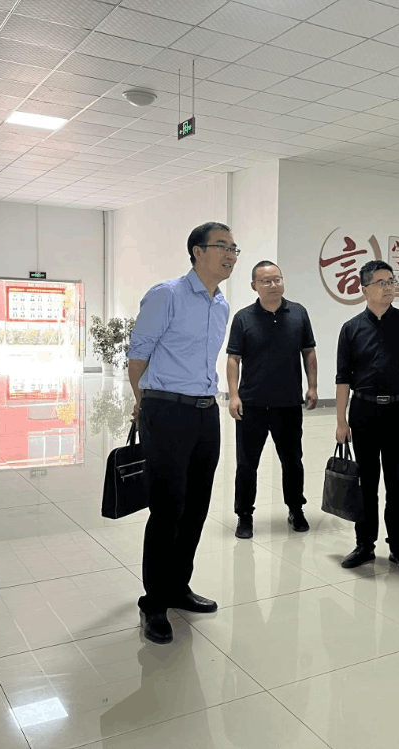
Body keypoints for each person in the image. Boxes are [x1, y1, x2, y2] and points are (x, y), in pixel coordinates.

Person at [126, 221, 238, 645]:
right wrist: (145, 402)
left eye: (234, 248)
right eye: (222, 246)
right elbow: (138, 356)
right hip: (167, 411)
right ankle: (154, 602)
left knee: (195, 507)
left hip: (206, 413)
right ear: (197, 251)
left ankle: (178, 586)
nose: (230, 254)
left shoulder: (221, 303)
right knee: (167, 508)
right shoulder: (166, 295)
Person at [335, 260, 399, 574]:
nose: (389, 287)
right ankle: (364, 545)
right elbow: (342, 378)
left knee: (396, 483)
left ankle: (398, 547)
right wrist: (341, 421)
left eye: (391, 281)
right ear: (364, 289)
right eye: (381, 282)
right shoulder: (351, 329)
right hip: (363, 411)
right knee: (366, 483)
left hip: (397, 411)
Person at [226, 260, 318, 540]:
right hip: (251, 404)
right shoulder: (243, 318)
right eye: (266, 281)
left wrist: (313, 387)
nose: (273, 285)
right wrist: (233, 395)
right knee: (246, 464)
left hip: (288, 404)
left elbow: (309, 351)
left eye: (277, 279)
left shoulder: (298, 313)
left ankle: (296, 509)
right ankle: (244, 515)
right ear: (254, 285)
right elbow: (233, 359)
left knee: (293, 462)